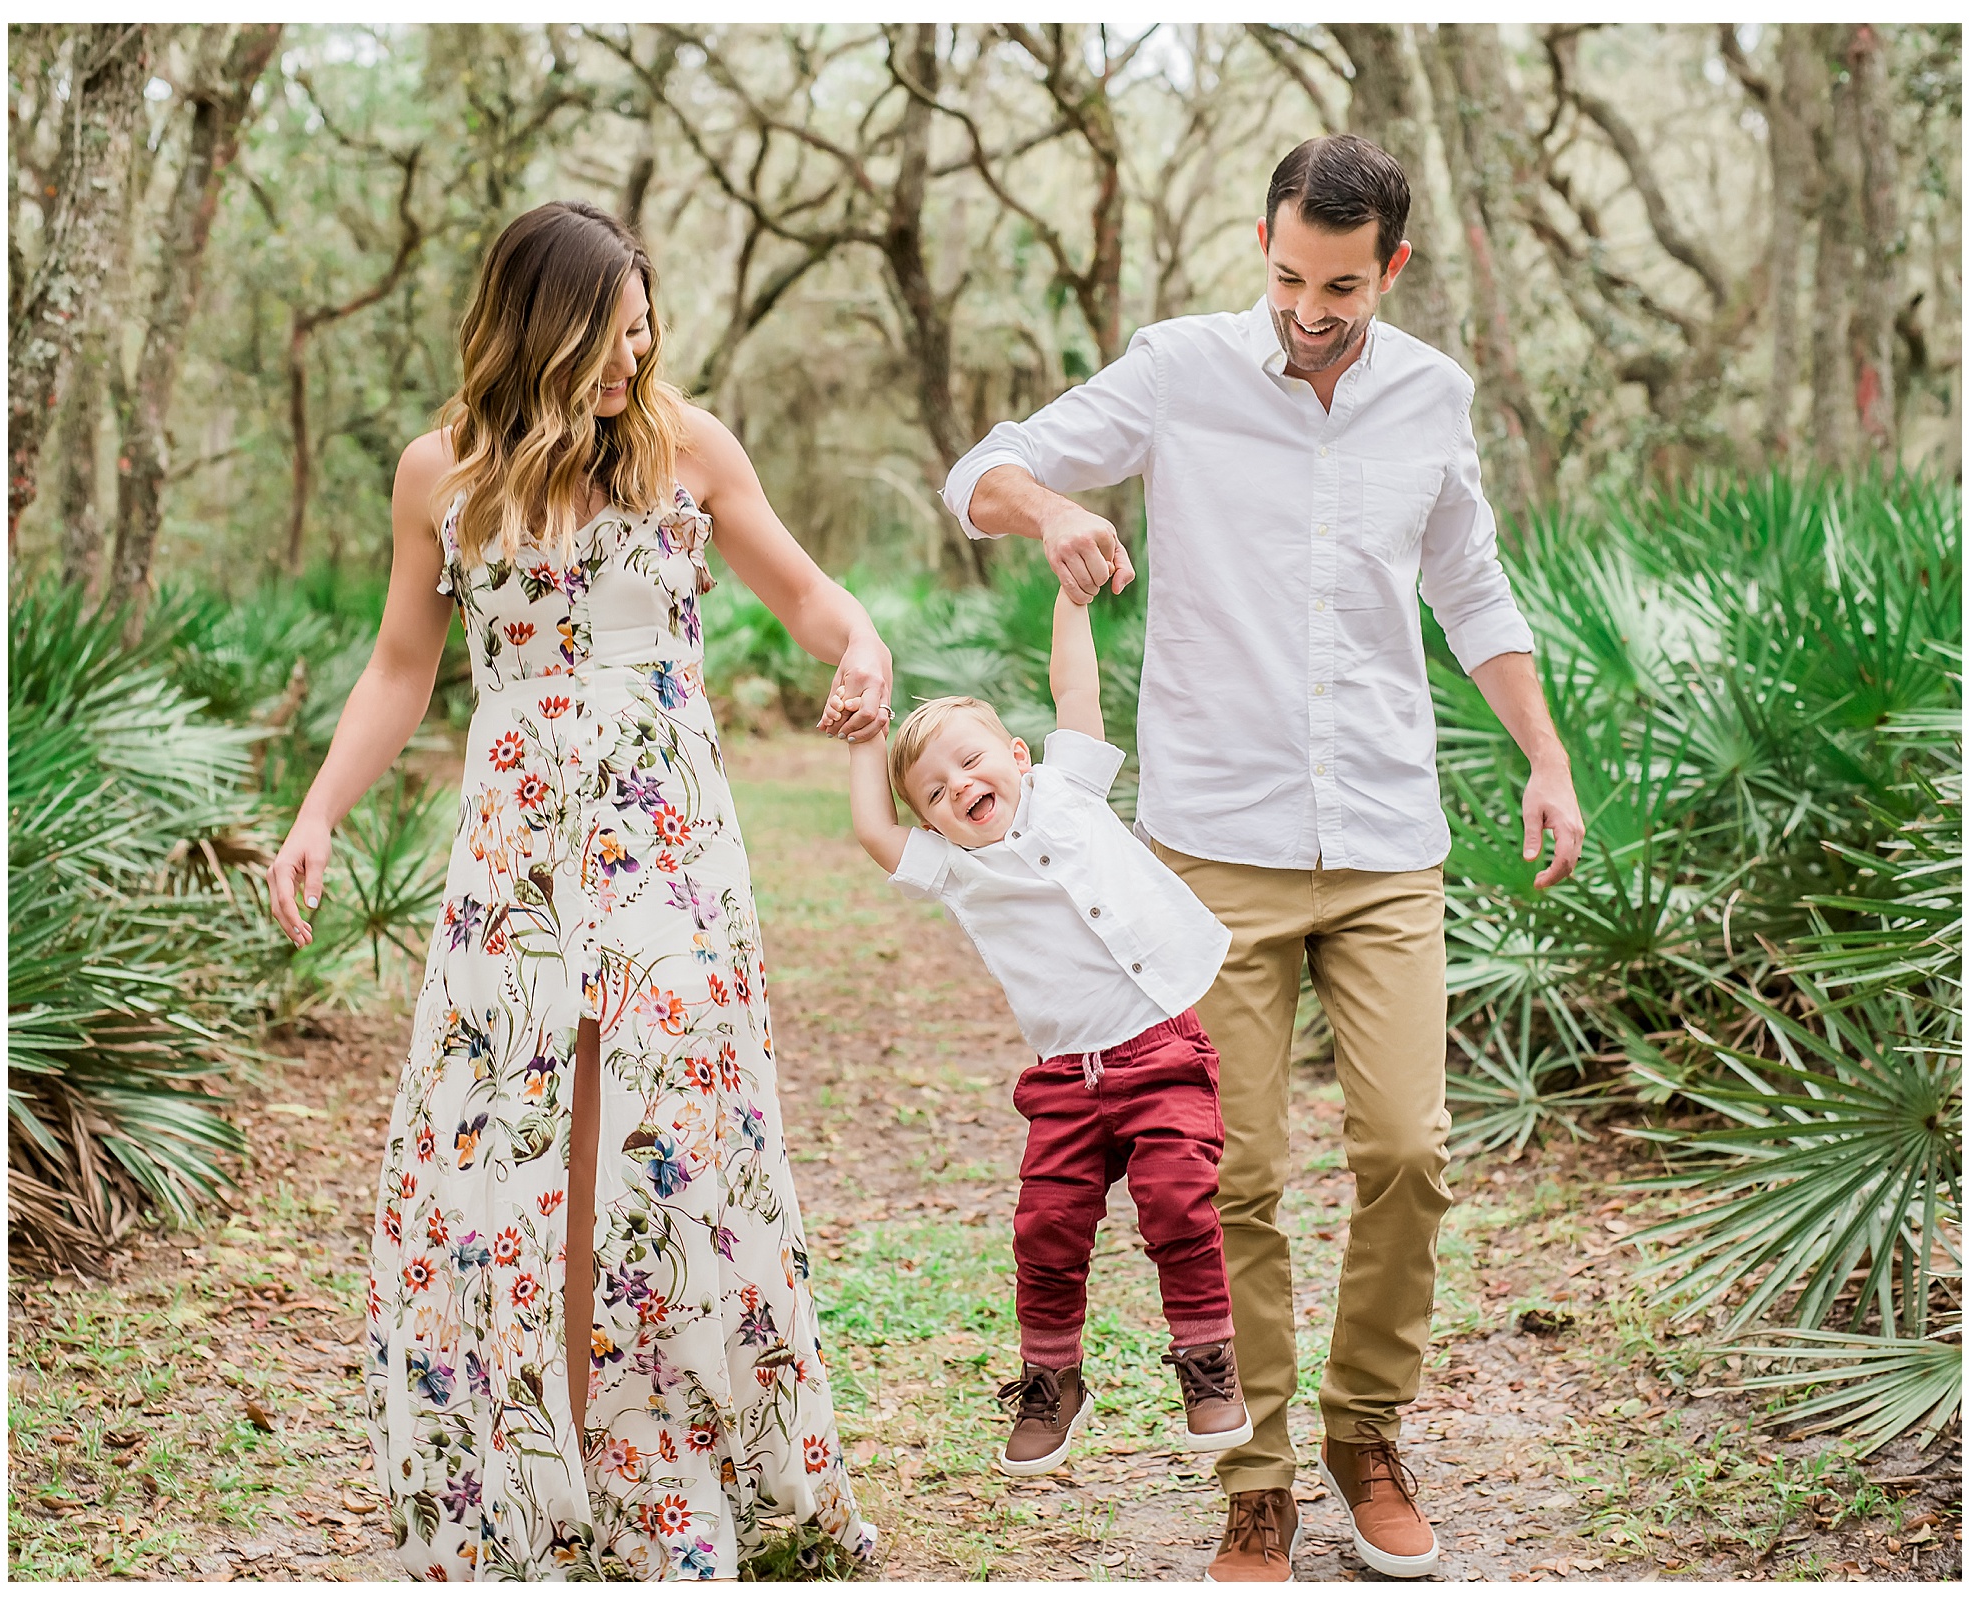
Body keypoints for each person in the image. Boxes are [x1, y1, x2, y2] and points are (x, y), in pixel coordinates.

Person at [940, 135, 1587, 1581]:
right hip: (1211, 852)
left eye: (1342, 286)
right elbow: (985, 470)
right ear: (1264, 243)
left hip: (1382, 839)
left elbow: (1470, 583)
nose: (1311, 307)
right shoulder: (1178, 368)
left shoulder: (1431, 396)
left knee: (1410, 1154)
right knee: (1227, 1173)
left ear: (1391, 270)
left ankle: (1365, 1435)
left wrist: (1545, 756)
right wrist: (1051, 509)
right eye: (1291, 275)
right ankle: (1259, 1480)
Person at [266, 201, 892, 1581]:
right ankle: (550, 1472)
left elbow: (807, 595)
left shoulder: (687, 447)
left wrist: (867, 648)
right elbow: (397, 666)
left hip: (667, 837)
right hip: (520, 854)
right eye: (613, 334)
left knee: (672, 1140)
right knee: (530, 1150)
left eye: (647, 326)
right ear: (542, 330)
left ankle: (675, 1471)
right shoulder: (444, 473)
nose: (638, 353)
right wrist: (318, 812)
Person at [831, 589, 1250, 1478]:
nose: (962, 789)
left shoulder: (1070, 788)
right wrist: (869, 732)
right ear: (932, 821)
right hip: (1065, 1078)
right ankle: (1052, 1378)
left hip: (1163, 1044)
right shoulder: (957, 870)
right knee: (1047, 1227)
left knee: (1179, 1201)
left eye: (973, 764)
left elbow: (1074, 688)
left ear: (1017, 755)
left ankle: (1208, 1363)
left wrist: (1068, 600)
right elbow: (873, 827)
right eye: (937, 793)